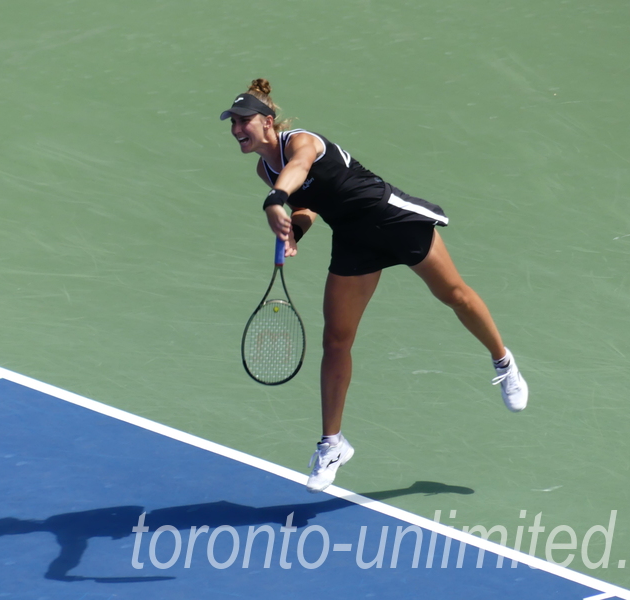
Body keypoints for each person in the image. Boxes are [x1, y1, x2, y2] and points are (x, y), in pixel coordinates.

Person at [220, 79, 528, 493]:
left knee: (453, 295)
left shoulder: (302, 143)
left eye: (244, 121)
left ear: (268, 121)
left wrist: (274, 199)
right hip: (352, 240)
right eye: (233, 123)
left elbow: (299, 172)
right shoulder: (264, 168)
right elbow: (307, 204)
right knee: (336, 341)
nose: (237, 129)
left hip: (391, 219)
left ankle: (503, 362)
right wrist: (294, 227)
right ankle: (332, 444)